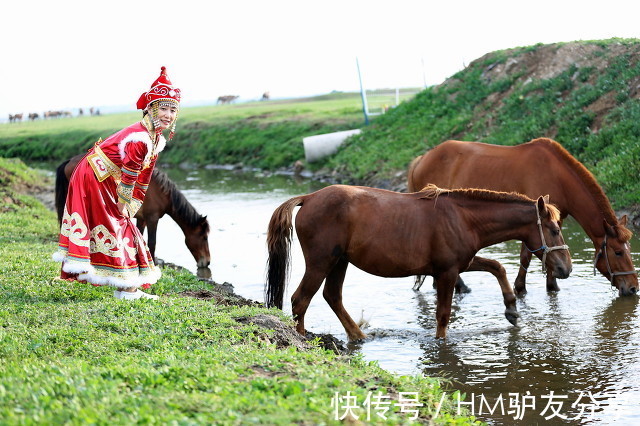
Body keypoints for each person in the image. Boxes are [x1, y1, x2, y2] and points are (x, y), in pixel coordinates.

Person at [53, 66, 181, 299]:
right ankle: (127, 288)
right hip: (93, 176)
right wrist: (124, 203)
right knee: (117, 224)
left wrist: (135, 202)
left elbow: (145, 174)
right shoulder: (140, 138)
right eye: (163, 108)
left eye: (173, 110)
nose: (169, 115)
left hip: (108, 176)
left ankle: (128, 286)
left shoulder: (155, 138)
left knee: (124, 222)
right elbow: (131, 173)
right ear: (151, 108)